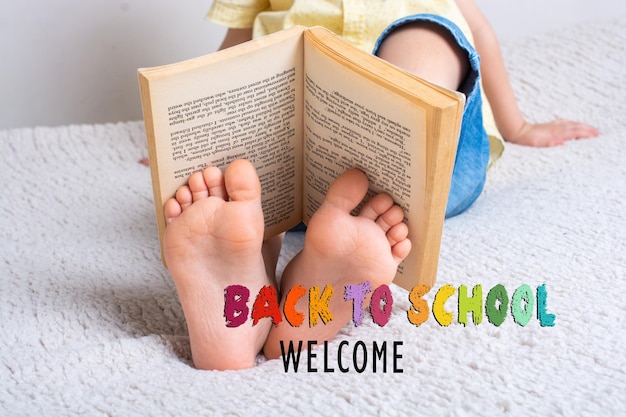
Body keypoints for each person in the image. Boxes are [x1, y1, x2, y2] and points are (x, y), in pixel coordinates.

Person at [162, 0, 599, 370]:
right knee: (239, 185)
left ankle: (275, 272)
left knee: (432, 33)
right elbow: (234, 54)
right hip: (291, 163)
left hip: (417, 167)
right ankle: (253, 297)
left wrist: (517, 126)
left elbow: (478, 32)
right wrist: (189, 134)